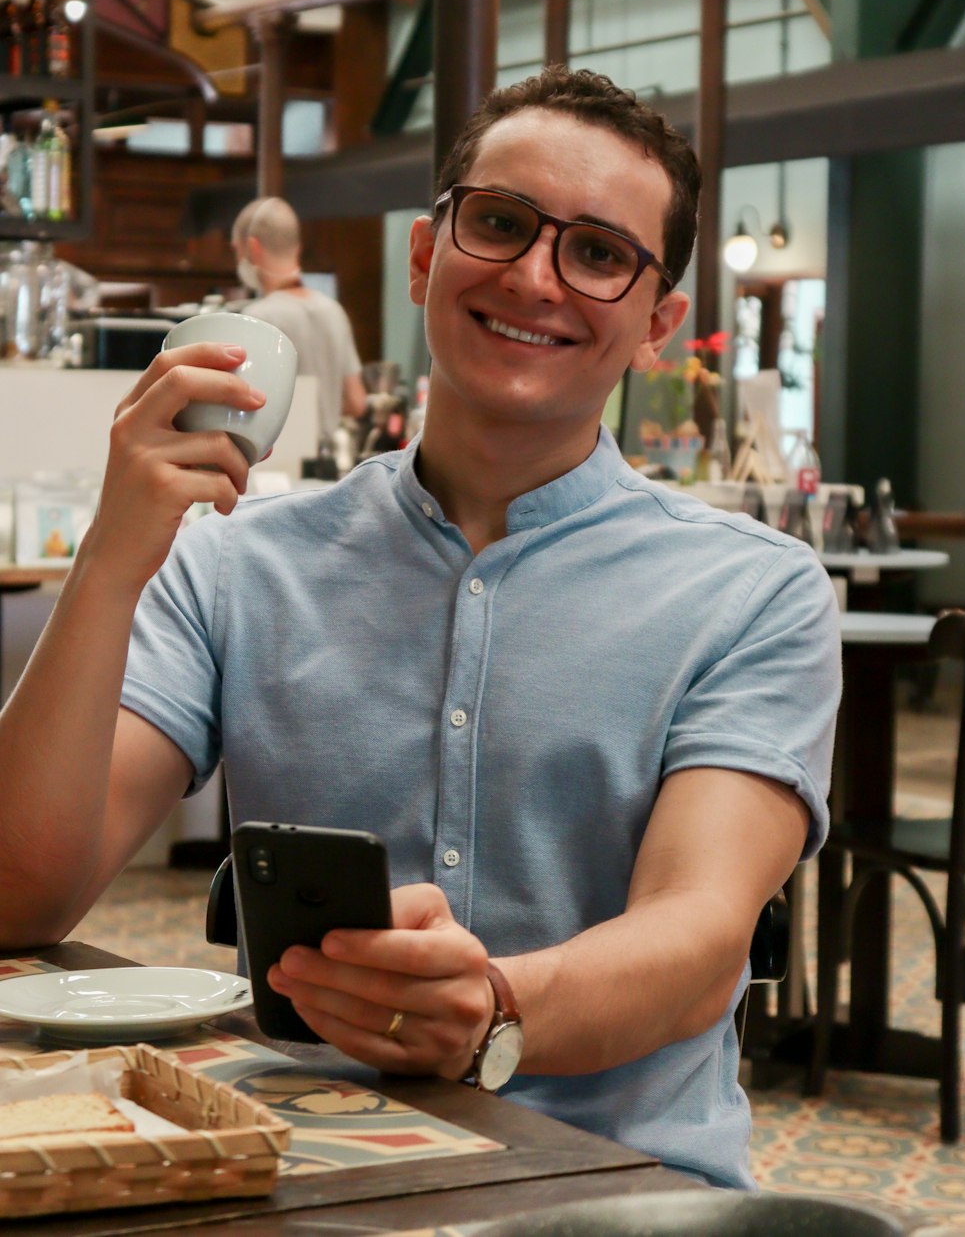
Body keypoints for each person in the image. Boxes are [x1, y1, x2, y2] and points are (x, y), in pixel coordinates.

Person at [0, 67, 840, 1190]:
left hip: (622, 1191)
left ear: (657, 323)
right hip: (305, 1174)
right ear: (421, 255)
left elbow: (697, 939)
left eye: (599, 254)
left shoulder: (754, 592)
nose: (538, 277)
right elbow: (20, 896)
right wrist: (110, 557)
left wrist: (494, 1008)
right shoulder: (239, 560)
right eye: (499, 225)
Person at [230, 194, 367, 443]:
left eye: (237, 251)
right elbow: (356, 402)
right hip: (326, 464)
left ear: (252, 248)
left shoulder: (257, 319)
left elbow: (244, 405)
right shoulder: (334, 311)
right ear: (297, 248)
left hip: (276, 462)